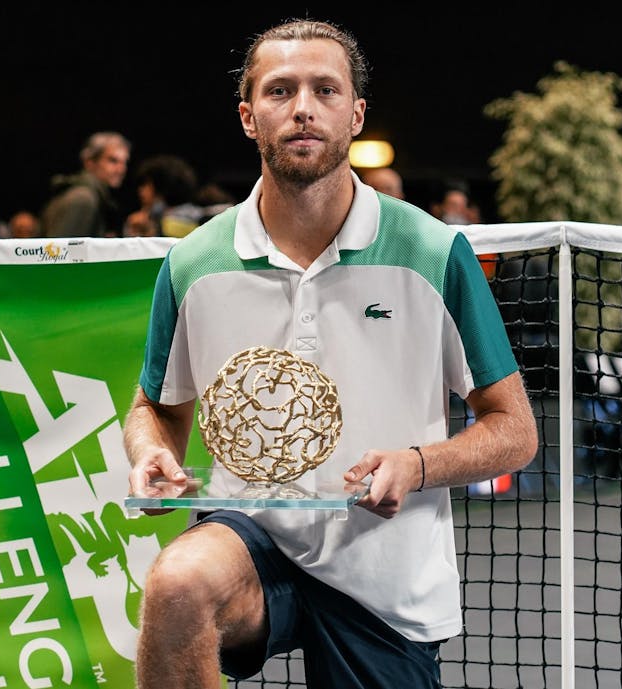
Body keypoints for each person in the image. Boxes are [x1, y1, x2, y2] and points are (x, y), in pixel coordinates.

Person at [123, 19, 537, 689]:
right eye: (280, 90)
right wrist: (150, 454)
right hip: (251, 536)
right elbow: (154, 406)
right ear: (248, 117)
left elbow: (515, 430)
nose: (303, 107)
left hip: (384, 577)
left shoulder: (434, 253)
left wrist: (418, 463)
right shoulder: (193, 262)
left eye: (325, 89)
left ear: (356, 113)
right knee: (176, 585)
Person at [41, 131, 130, 237]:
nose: (121, 169)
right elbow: (61, 251)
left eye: (124, 162)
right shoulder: (83, 199)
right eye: (113, 160)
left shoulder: (89, 195)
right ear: (89, 162)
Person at [123, 154, 204, 239]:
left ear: (161, 187)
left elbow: (194, 233)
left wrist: (155, 230)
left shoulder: (193, 216)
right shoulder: (144, 219)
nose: (140, 190)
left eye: (146, 184)